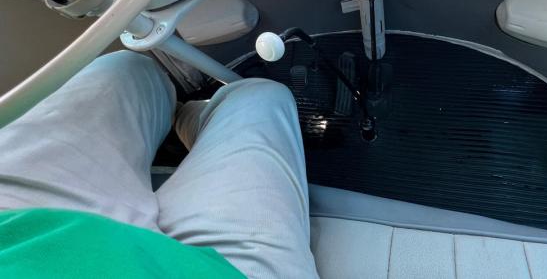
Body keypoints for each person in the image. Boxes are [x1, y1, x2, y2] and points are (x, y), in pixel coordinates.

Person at [0, 50, 319, 278]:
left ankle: (185, 118)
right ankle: (196, 120)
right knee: (259, 96)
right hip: (214, 271)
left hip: (16, 227)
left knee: (125, 67)